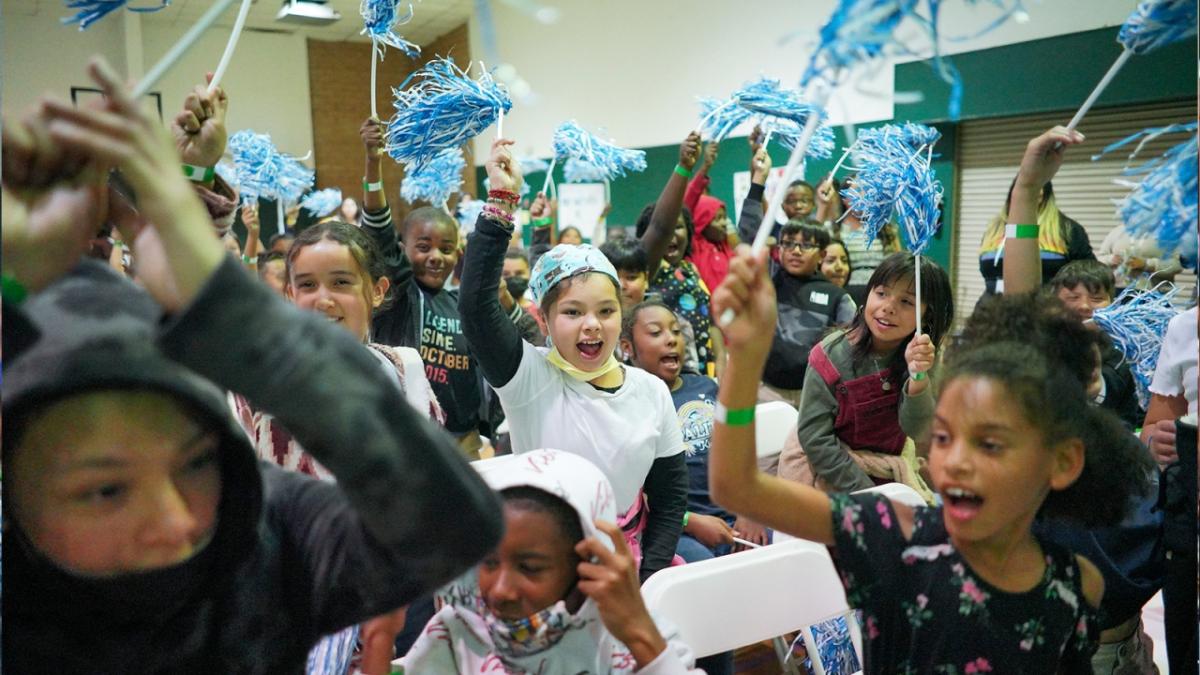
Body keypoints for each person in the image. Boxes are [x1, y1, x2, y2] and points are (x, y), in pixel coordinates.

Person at [1, 57, 501, 673]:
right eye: (106, 489)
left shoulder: (253, 547)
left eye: (196, 462)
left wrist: (219, 297)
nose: (176, 522)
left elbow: (451, 525)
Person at [706, 247, 1152, 673]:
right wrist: (745, 356)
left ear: (1062, 462)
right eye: (943, 437)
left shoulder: (1079, 584)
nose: (954, 460)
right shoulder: (894, 532)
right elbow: (734, 486)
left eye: (990, 444)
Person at [459, 138, 688, 582]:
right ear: (543, 321)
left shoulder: (652, 392)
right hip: (545, 569)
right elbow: (475, 306)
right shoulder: (529, 378)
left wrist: (651, 579)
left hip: (630, 564)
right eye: (572, 312)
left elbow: (670, 497)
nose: (592, 325)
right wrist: (502, 201)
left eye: (606, 311)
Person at [397, 449, 700, 674]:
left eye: (529, 568)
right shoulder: (458, 631)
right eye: (488, 562)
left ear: (589, 563)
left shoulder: (638, 638)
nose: (500, 591)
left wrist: (640, 637)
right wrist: (380, 640)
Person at [357, 116, 498, 458]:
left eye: (446, 249)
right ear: (403, 250)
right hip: (410, 442)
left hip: (464, 443)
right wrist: (374, 163)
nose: (436, 257)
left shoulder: (459, 303)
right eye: (423, 247)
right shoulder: (399, 296)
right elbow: (378, 230)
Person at [780, 252, 953, 497]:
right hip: (829, 471)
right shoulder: (829, 355)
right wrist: (870, 496)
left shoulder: (923, 355)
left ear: (926, 316)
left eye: (907, 302)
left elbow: (917, 430)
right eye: (881, 293)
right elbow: (815, 439)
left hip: (889, 472)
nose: (888, 308)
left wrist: (918, 378)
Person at [738, 147, 856, 407]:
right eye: (788, 244)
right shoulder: (770, 279)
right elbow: (750, 235)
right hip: (765, 389)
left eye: (805, 246)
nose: (795, 251)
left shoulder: (837, 297)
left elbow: (851, 351)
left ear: (822, 254)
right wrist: (758, 180)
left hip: (813, 395)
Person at [635, 132, 725, 378]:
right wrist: (686, 167)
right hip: (666, 374)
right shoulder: (648, 270)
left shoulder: (690, 270)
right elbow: (660, 227)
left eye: (679, 228)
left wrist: (722, 368)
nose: (672, 236)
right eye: (668, 230)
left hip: (702, 373)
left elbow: (713, 324)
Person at [1047, 260, 1141, 431]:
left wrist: (1095, 386)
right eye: (1073, 297)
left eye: (1096, 299)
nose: (1084, 306)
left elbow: (1111, 385)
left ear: (1112, 304)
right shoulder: (1044, 340)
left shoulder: (1122, 348)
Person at [979, 177, 1094, 298]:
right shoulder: (995, 228)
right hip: (992, 308)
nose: (1035, 192)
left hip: (1045, 310)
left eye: (1038, 187)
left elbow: (1089, 272)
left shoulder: (1067, 229)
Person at [815, 176, 902, 305]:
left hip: (880, 296)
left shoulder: (886, 229)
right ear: (844, 198)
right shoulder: (833, 228)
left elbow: (898, 264)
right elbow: (813, 239)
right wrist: (823, 206)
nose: (865, 195)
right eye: (858, 190)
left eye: (868, 190)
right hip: (844, 295)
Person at [684, 141, 734, 292]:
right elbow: (687, 203)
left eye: (724, 217)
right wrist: (705, 167)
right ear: (702, 221)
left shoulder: (726, 249)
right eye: (717, 218)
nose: (724, 223)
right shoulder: (694, 246)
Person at [1097, 223, 1183, 294]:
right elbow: (1099, 258)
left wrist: (1147, 264)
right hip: (1118, 290)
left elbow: (1178, 265)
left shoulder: (1167, 233)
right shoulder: (1118, 231)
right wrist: (1111, 259)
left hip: (1155, 293)